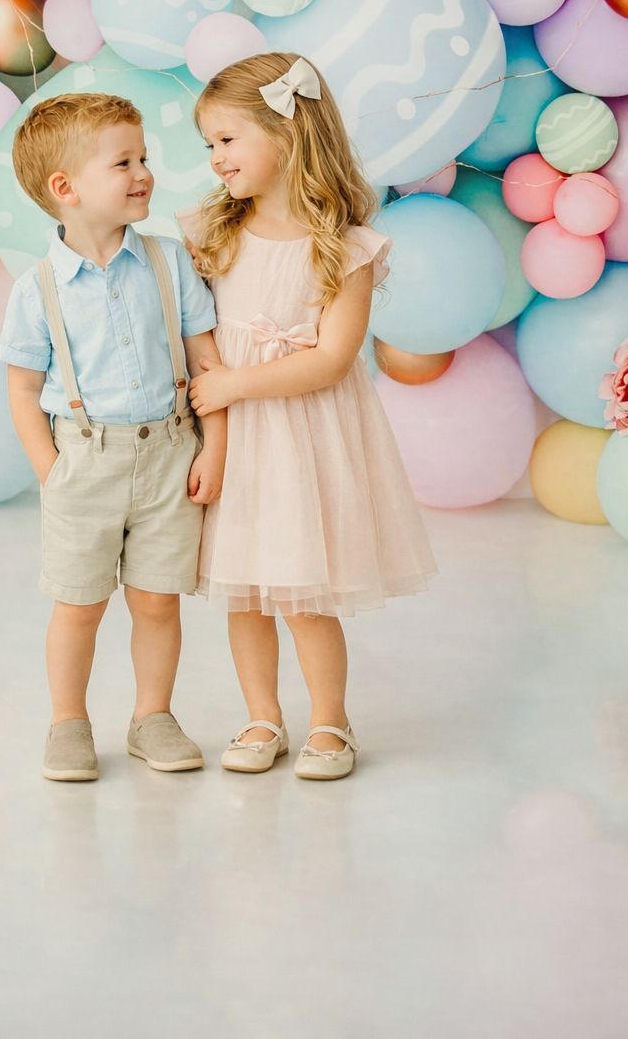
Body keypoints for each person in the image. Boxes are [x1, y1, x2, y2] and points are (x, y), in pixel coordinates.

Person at [183, 52, 437, 781]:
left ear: (287, 136)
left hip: (299, 436)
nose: (214, 158)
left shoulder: (345, 248)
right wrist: (214, 406)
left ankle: (332, 720)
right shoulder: (212, 231)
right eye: (209, 144)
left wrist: (235, 385)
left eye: (227, 140)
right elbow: (197, 329)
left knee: (301, 590)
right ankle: (262, 714)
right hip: (233, 436)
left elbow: (331, 359)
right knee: (243, 589)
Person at [0, 92, 226, 783]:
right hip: (84, 460)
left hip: (168, 455)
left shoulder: (168, 261)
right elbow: (19, 390)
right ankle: (68, 722)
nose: (143, 173)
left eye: (144, 158)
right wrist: (51, 469)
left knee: (156, 599)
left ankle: (151, 715)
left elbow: (206, 361)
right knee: (80, 603)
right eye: (122, 162)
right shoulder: (38, 289)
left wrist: (214, 446)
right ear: (64, 190)